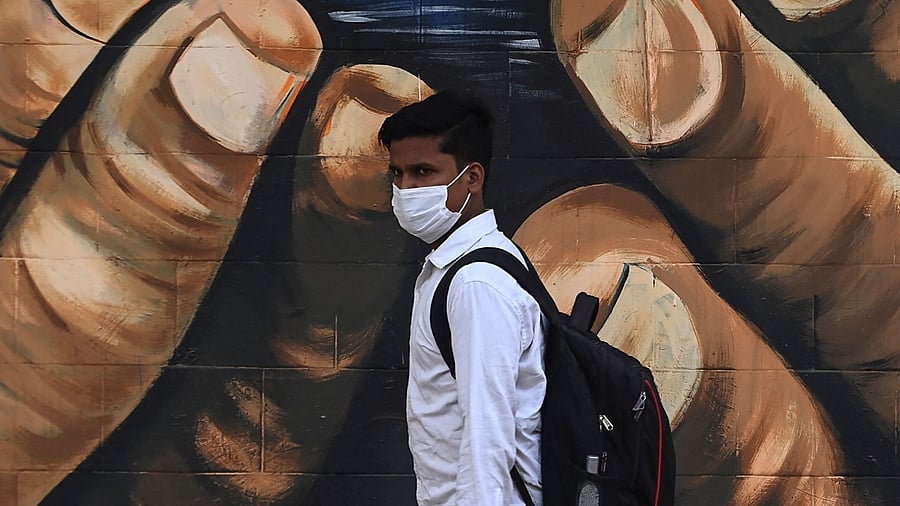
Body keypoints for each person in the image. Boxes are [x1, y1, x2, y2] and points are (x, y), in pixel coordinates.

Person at [378, 90, 546, 505]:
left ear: (472, 178)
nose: (406, 189)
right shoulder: (469, 263)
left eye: (422, 172)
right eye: (396, 174)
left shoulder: (476, 284)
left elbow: (487, 432)